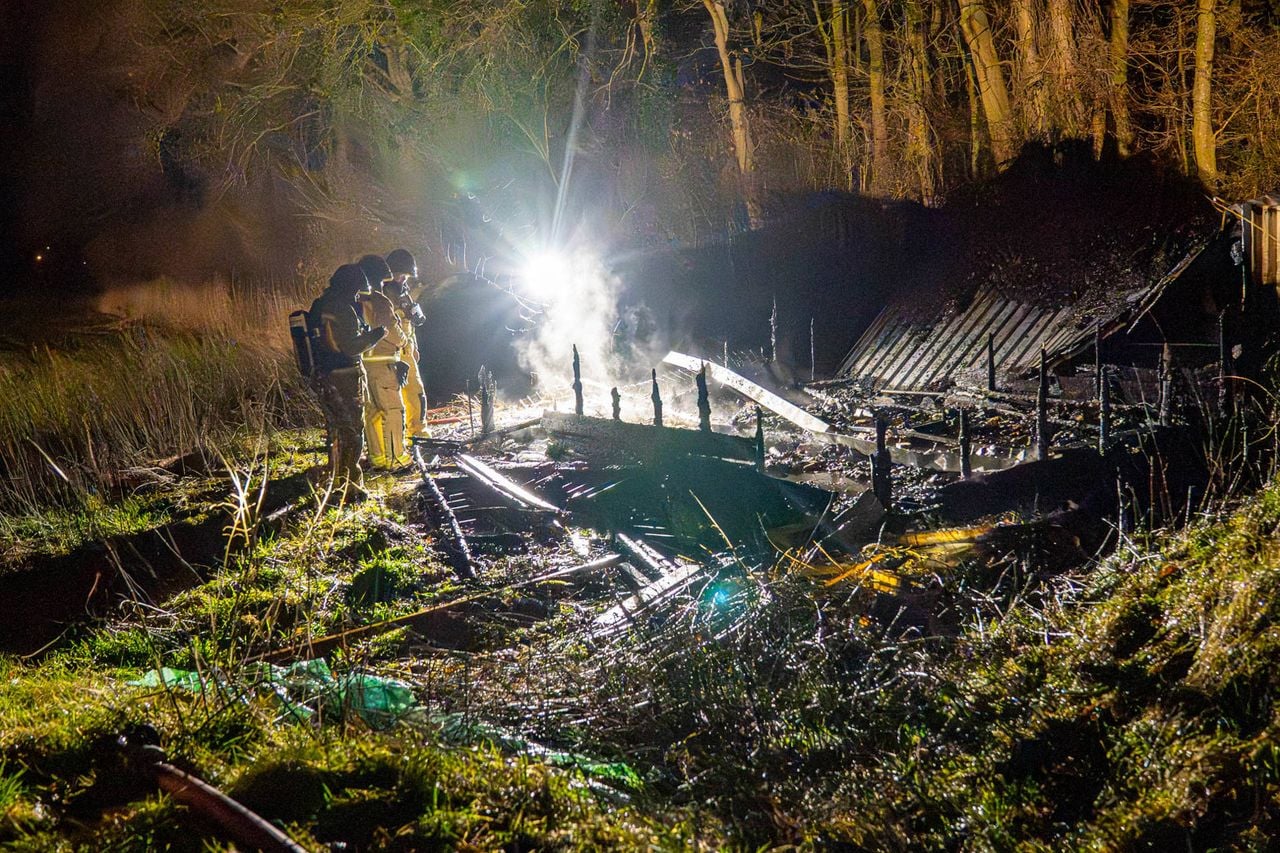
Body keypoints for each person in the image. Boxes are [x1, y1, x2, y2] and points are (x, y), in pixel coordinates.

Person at [309, 264, 386, 501]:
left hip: (323, 374)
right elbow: (351, 346)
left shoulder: (319, 305)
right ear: (349, 287)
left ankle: (334, 479)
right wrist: (376, 334)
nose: (357, 295)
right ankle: (349, 486)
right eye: (356, 291)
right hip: (343, 376)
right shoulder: (340, 308)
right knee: (352, 431)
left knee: (336, 429)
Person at [355, 254, 412, 470]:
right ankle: (396, 459)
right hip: (384, 364)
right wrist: (405, 339)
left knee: (372, 413)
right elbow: (392, 332)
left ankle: (377, 459)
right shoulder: (378, 300)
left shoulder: (356, 300)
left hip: (365, 364)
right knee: (393, 411)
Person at [385, 248, 430, 441]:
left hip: (407, 349)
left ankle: (418, 432)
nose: (403, 279)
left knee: (416, 393)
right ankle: (398, 438)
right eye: (400, 275)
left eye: (406, 276)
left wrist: (415, 346)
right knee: (395, 398)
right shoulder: (383, 294)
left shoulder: (403, 292)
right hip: (393, 351)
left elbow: (410, 321)